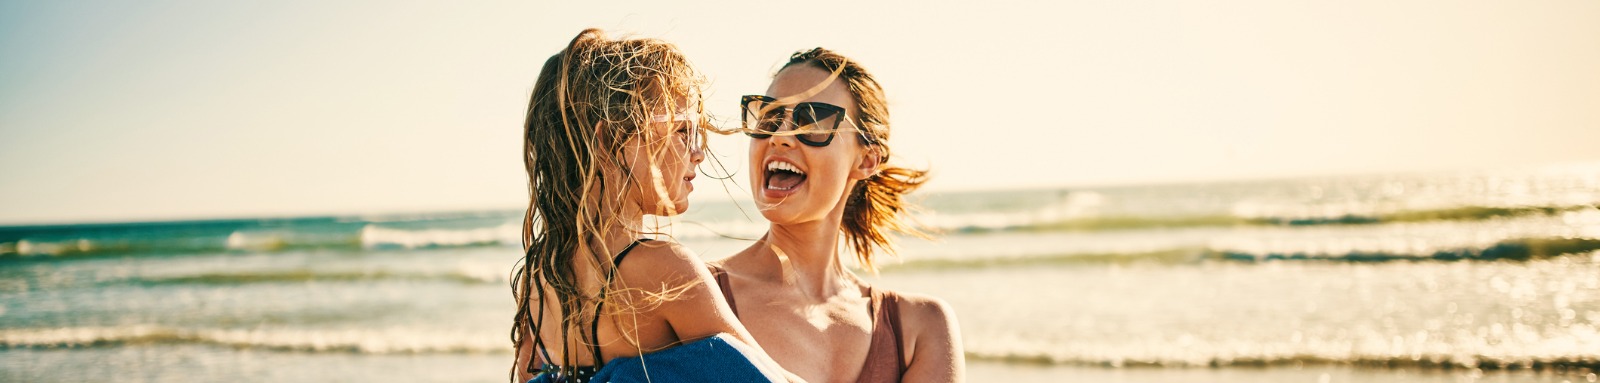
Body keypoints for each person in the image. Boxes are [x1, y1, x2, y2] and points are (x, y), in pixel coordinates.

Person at [509, 28, 796, 383]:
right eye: (682, 130)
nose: (698, 152)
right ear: (610, 139)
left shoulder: (541, 275)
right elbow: (764, 379)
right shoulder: (664, 270)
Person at [710, 48, 965, 382]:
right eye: (769, 118)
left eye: (813, 120)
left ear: (867, 160)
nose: (779, 136)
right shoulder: (692, 296)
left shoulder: (919, 329)